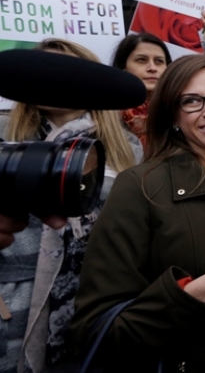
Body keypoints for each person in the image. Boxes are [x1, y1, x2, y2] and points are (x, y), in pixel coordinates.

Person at [72, 55, 205, 372]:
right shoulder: (139, 187)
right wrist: (203, 291)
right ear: (172, 114)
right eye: (191, 101)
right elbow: (96, 330)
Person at [0, 38, 141, 373]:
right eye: (42, 71)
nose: (53, 80)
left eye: (65, 71)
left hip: (88, 300)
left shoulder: (127, 146)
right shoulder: (4, 131)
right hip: (11, 300)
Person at [112, 8, 205, 143]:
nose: (152, 68)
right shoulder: (105, 117)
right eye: (141, 60)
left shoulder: (181, 109)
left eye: (159, 61)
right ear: (123, 67)